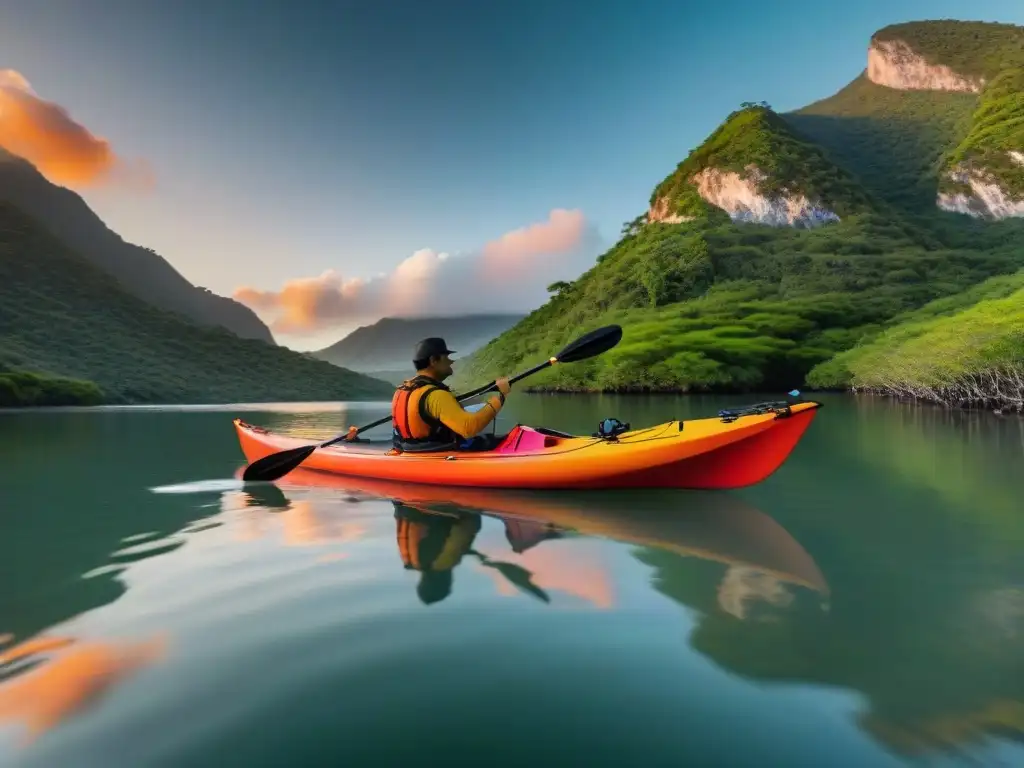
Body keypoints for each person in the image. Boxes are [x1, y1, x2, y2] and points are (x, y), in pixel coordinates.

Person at [368, 336, 512, 452]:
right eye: (446, 357)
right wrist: (500, 397)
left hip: (412, 448)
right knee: (489, 437)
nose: (451, 361)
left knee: (476, 408)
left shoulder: (403, 389)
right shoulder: (436, 395)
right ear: (433, 361)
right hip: (437, 450)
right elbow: (469, 428)